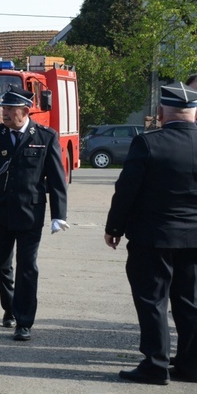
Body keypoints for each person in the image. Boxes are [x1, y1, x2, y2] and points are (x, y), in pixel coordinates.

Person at [105, 82, 197, 386]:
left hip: (153, 238)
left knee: (153, 301)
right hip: (194, 239)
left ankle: (156, 364)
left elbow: (126, 191)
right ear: (194, 114)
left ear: (161, 113)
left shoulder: (148, 143)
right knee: (189, 302)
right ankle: (191, 364)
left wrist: (114, 228)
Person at [0, 85, 68, 342]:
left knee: (28, 267)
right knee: (1, 266)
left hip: (29, 212)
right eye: (3, 108)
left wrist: (59, 214)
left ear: (25, 111)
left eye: (10, 109)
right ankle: (10, 307)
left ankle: (24, 321)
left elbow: (57, 179)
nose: (4, 113)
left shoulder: (45, 137)